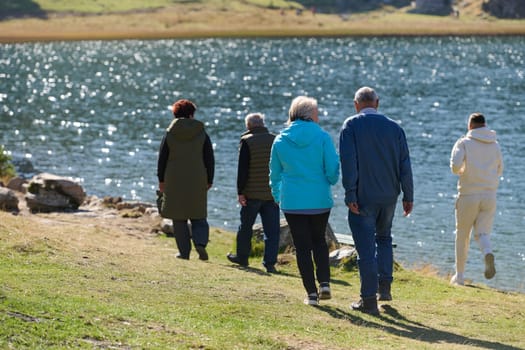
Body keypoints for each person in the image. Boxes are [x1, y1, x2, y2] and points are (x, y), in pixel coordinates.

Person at [339, 87, 414, 315]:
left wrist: (350, 193)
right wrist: (408, 196)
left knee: (365, 249)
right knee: (384, 238)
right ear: (377, 102)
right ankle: (385, 288)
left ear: (356, 104)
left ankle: (369, 300)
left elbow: (348, 162)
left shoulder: (351, 125)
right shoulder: (395, 128)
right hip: (390, 196)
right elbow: (405, 166)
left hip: (363, 197)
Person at [269, 96, 340, 306]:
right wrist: (331, 180)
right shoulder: (323, 137)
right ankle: (325, 282)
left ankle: (311, 293)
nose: (319, 117)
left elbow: (274, 174)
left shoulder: (280, 139)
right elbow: (333, 168)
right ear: (310, 114)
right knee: (319, 240)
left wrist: (277, 196)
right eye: (317, 113)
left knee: (301, 247)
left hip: (292, 201)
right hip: (319, 198)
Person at [157, 99, 215, 261]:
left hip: (174, 178)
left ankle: (184, 252)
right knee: (198, 214)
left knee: (178, 216)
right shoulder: (202, 133)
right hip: (197, 178)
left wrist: (161, 180)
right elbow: (209, 158)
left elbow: (162, 158)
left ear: (175, 114)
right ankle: (201, 243)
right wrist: (209, 179)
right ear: (191, 114)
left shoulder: (170, 133)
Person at [449, 113, 503, 286]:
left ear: (470, 126)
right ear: (484, 125)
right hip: (489, 195)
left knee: (462, 234)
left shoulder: (464, 142)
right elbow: (500, 169)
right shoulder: (495, 145)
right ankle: (487, 252)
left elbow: (455, 166)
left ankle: (460, 276)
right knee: (483, 233)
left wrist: (462, 172)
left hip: (468, 194)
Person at [227, 113, 281, 273]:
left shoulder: (247, 141)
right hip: (271, 194)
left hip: (252, 194)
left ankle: (242, 257)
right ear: (263, 124)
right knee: (272, 231)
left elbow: (242, 170)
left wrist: (240, 192)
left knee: (246, 227)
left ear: (248, 126)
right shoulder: (275, 140)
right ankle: (270, 263)